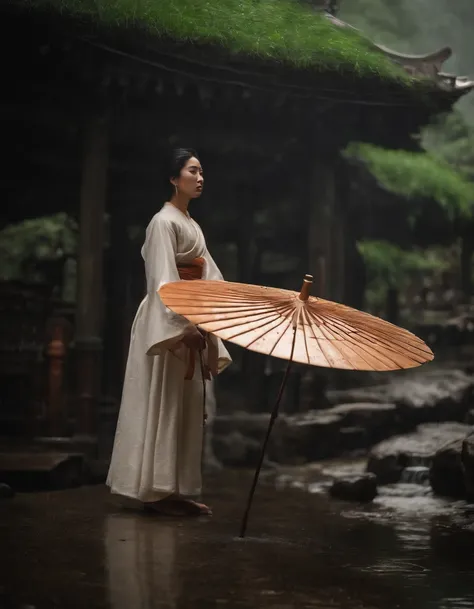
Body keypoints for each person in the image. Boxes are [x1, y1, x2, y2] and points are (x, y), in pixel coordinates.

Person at [106, 148, 231, 516]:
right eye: (193, 171)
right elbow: (162, 281)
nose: (200, 177)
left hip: (191, 316)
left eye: (202, 171)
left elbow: (211, 276)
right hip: (167, 321)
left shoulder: (192, 224)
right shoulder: (163, 222)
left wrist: (215, 314)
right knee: (164, 401)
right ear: (174, 178)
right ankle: (156, 491)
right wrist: (181, 326)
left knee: (187, 404)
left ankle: (176, 489)